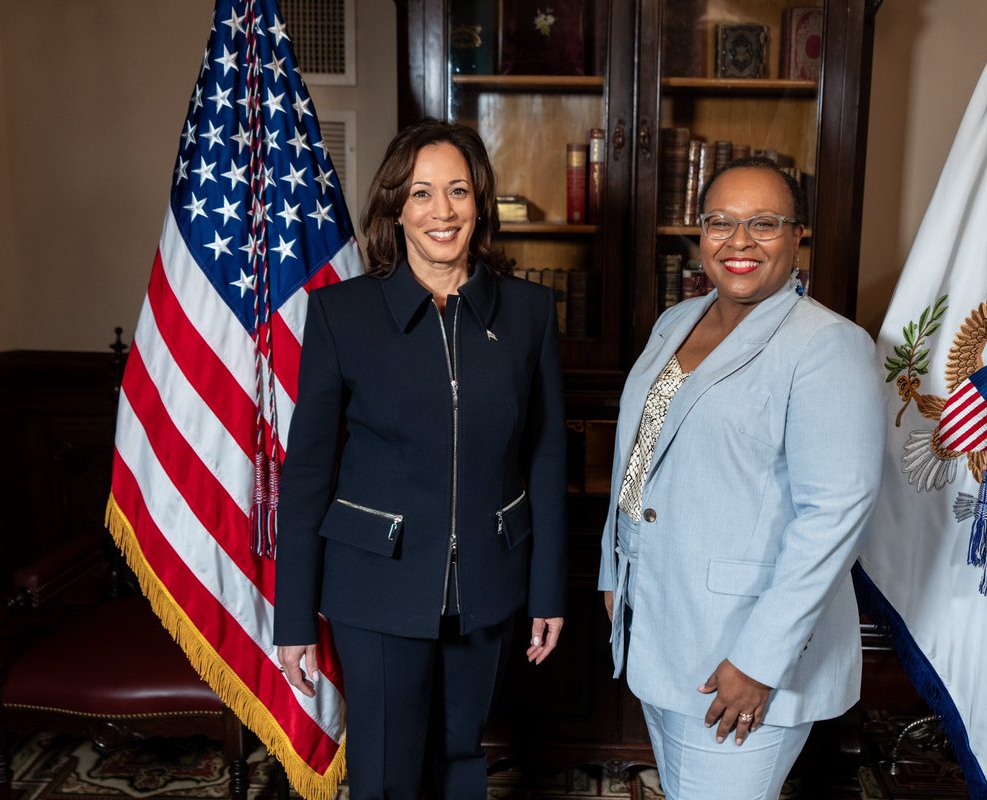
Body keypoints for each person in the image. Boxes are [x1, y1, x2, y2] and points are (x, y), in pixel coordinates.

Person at [274, 118, 567, 800]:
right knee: (385, 774)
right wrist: (294, 618)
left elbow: (547, 455)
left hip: (489, 581)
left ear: (479, 204)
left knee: (462, 760)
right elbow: (308, 473)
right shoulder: (341, 315)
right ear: (396, 209)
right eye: (422, 193)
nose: (443, 211)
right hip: (375, 585)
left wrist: (548, 589)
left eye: (459, 191)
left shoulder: (528, 313)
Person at [598, 156, 885, 799]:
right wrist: (615, 571)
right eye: (721, 222)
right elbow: (640, 453)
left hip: (742, 649)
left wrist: (759, 661)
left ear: (797, 235)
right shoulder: (677, 322)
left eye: (764, 223)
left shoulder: (827, 346)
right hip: (660, 622)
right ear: (700, 232)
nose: (740, 241)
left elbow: (834, 516)